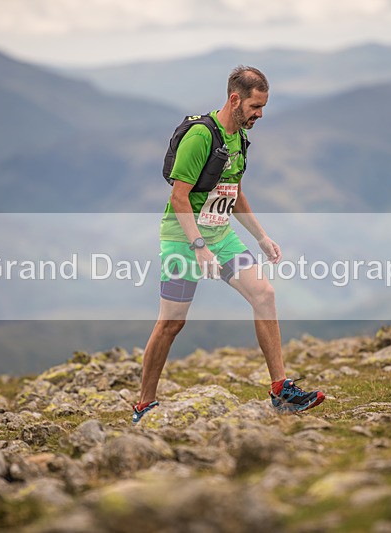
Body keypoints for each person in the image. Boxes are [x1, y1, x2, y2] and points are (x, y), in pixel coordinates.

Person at [133, 66, 325, 424]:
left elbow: (233, 193)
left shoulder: (238, 138)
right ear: (235, 99)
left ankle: (281, 391)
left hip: (221, 235)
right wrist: (198, 244)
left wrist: (261, 236)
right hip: (183, 236)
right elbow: (179, 197)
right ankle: (144, 404)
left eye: (263, 107)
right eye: (255, 106)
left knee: (264, 294)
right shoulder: (201, 136)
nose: (260, 115)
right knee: (172, 323)